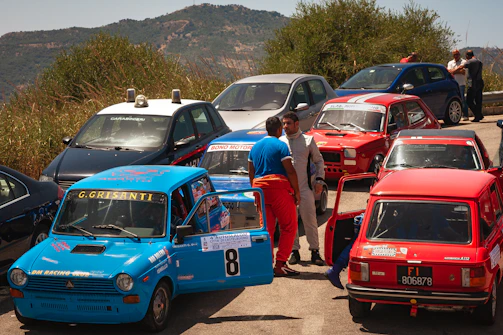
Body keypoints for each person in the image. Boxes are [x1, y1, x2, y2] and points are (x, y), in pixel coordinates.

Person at [248, 116, 301, 277]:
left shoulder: (255, 147)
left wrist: (255, 190)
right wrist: (297, 191)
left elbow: (251, 171)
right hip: (278, 188)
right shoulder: (281, 145)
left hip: (260, 189)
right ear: (279, 130)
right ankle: (281, 264)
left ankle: (266, 264)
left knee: (267, 229)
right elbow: (290, 170)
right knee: (289, 226)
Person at [280, 112, 325, 266]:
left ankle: (315, 251)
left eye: (288, 123)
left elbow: (319, 161)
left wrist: (319, 180)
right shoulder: (280, 142)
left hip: (305, 188)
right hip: (287, 191)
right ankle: (294, 251)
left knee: (310, 220)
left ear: (297, 124)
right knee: (289, 222)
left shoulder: (308, 140)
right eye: (284, 123)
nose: (285, 127)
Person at [325, 214, 364, 289]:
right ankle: (335, 270)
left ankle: (335, 270)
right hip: (368, 219)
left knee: (354, 245)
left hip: (365, 217)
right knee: (356, 246)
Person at [457, 50, 484, 122]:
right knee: (478, 100)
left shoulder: (470, 61)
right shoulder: (479, 61)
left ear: (467, 56)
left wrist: (452, 71)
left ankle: (478, 115)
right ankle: (478, 115)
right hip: (480, 82)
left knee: (469, 100)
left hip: (472, 83)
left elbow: (461, 67)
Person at [447, 49, 469, 121]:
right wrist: (458, 69)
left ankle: (465, 114)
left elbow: (463, 72)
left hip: (461, 83)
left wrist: (453, 71)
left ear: (459, 54)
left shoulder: (463, 62)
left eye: (457, 54)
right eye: (454, 55)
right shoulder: (450, 63)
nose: (456, 56)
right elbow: (449, 72)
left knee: (462, 99)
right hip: (452, 84)